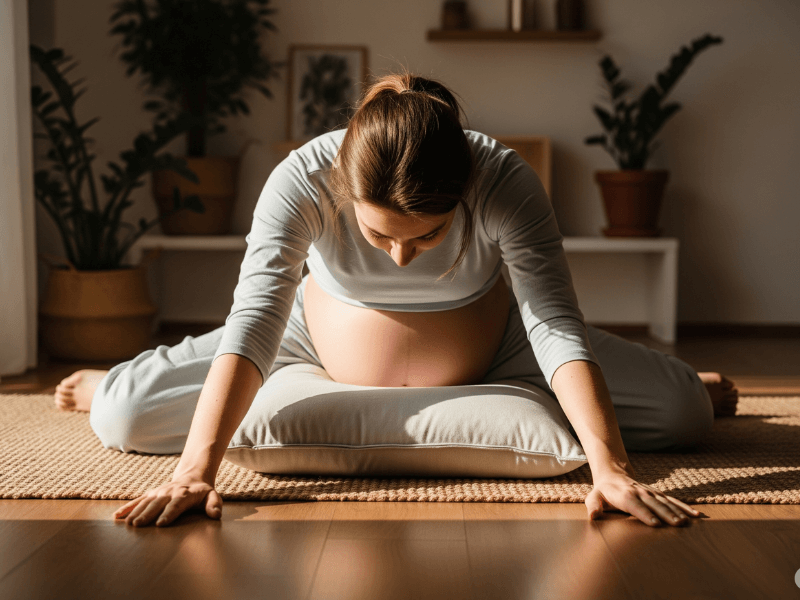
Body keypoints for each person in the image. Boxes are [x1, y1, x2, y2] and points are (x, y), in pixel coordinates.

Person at [55, 73, 738, 529]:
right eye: (382, 235)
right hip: (309, 334)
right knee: (121, 414)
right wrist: (195, 474)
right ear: (347, 191)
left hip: (500, 345)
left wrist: (611, 468)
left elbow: (554, 321)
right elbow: (256, 319)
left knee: (684, 413)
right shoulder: (302, 179)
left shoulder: (502, 179)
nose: (404, 256)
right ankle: (112, 380)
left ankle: (688, 383)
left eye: (428, 235)